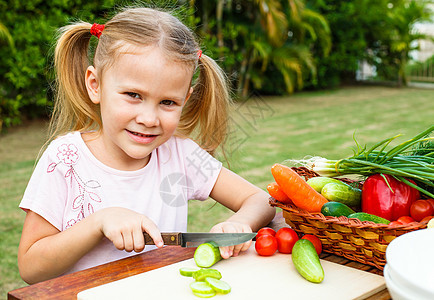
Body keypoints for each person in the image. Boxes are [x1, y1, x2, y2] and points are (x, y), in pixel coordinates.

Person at [18, 7, 275, 284]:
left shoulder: (181, 155)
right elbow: (31, 268)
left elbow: (261, 200)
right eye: (133, 95)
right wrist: (97, 223)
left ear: (185, 99)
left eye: (168, 102)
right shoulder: (65, 159)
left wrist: (240, 224)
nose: (149, 119)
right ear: (95, 85)